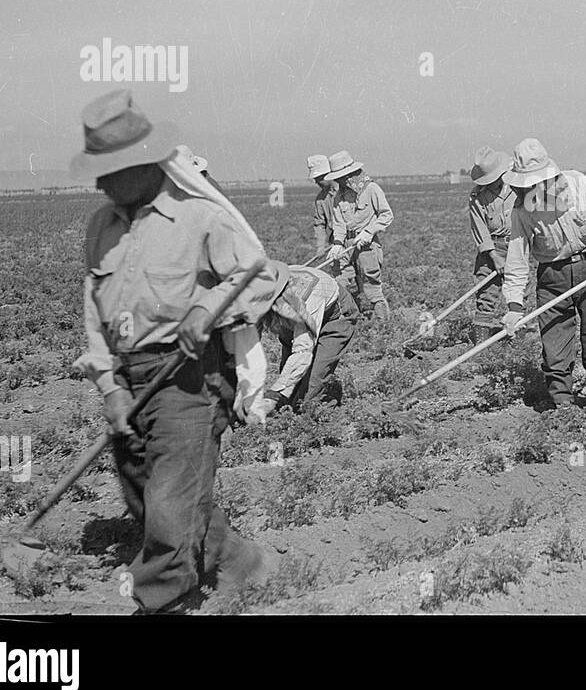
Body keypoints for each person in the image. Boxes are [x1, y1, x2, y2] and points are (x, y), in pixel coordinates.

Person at [70, 89, 280, 614]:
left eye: (110, 170)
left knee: (168, 503)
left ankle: (164, 601)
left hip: (191, 376)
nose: (99, 183)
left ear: (143, 163)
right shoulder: (101, 226)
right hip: (130, 378)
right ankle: (240, 561)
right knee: (146, 496)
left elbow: (259, 274)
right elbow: (95, 314)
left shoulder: (199, 217)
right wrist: (110, 387)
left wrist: (207, 310)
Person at [500, 138, 586, 411]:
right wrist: (514, 306)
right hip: (551, 277)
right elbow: (517, 260)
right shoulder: (521, 210)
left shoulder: (577, 183)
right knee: (554, 342)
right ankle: (563, 403)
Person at [237, 260, 360, 424]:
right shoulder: (262, 292)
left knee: (312, 386)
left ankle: (319, 418)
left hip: (334, 317)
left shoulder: (304, 299)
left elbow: (303, 352)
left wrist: (273, 396)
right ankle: (286, 410)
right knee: (289, 384)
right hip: (292, 319)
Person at [323, 150, 393, 320]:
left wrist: (369, 232)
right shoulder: (338, 197)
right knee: (340, 283)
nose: (339, 181)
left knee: (371, 287)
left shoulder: (371, 189)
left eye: (341, 177)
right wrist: (338, 243)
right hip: (346, 246)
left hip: (366, 245)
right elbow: (338, 223)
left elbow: (387, 215)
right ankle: (347, 323)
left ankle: (384, 325)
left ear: (350, 174)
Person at [467, 147, 514, 343]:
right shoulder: (477, 197)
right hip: (491, 250)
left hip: (517, 246)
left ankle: (517, 337)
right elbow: (480, 230)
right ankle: (481, 343)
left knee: (520, 293)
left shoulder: (517, 187)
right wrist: (495, 257)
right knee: (486, 294)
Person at [306, 154, 337, 259]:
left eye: (318, 178)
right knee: (343, 275)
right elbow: (319, 224)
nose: (316, 182)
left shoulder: (346, 191)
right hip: (336, 243)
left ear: (327, 174)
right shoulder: (321, 199)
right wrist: (320, 246)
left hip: (357, 240)